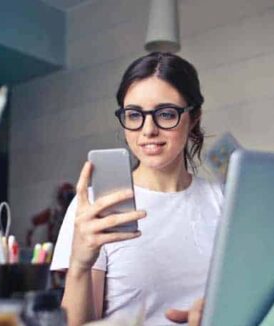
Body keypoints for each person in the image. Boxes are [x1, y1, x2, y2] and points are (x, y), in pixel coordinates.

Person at [51, 52, 221, 326]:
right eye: (134, 115)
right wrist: (80, 266)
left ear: (194, 118)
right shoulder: (97, 207)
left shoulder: (225, 200)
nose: (148, 130)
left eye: (166, 114)